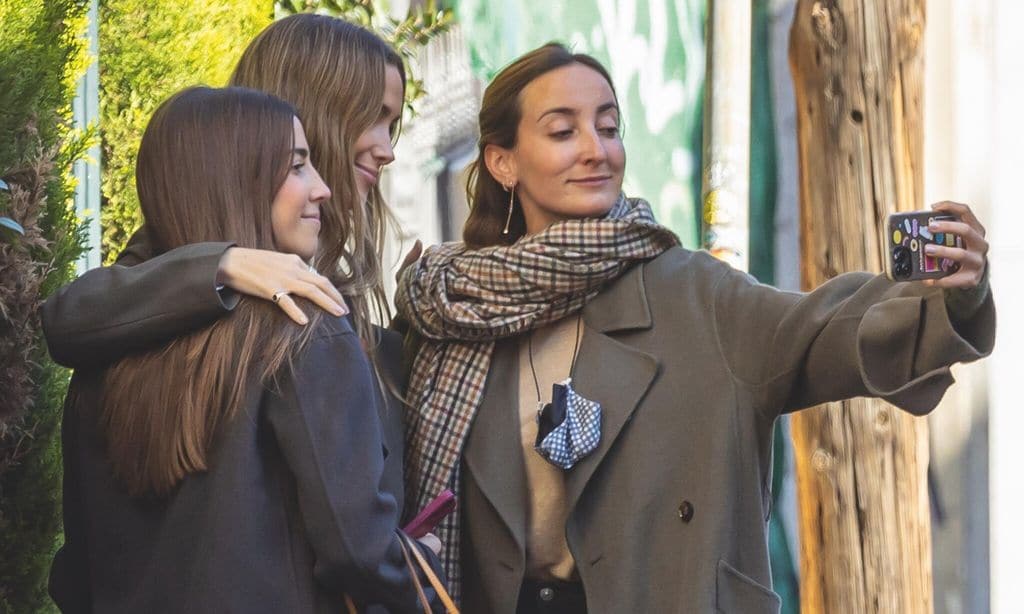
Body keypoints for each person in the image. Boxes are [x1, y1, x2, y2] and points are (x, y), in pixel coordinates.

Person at [393, 43, 995, 614]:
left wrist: (947, 300)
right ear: (502, 161)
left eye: (608, 127)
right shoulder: (456, 311)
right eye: (562, 131)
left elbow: (825, 330)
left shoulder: (694, 293)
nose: (595, 150)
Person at [49, 86, 445, 613]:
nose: (323, 188)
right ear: (235, 179)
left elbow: (78, 568)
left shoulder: (110, 348)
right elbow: (358, 549)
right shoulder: (304, 327)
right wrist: (417, 566)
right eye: (298, 166)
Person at [42, 14, 414, 522]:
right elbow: (70, 317)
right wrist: (223, 265)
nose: (388, 149)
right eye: (375, 116)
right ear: (319, 106)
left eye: (394, 125)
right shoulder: (179, 247)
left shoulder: (326, 272)